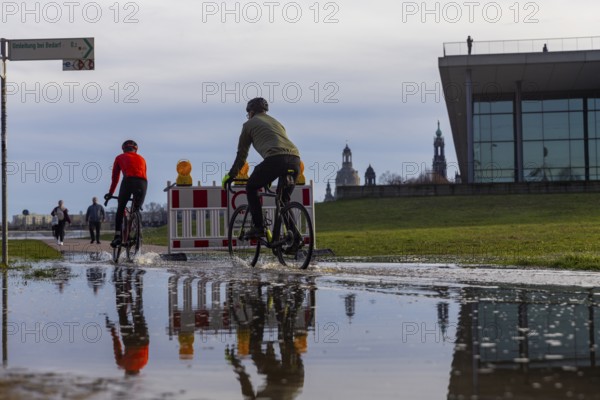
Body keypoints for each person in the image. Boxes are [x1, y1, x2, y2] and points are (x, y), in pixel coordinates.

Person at [222, 97, 301, 238]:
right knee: (284, 200)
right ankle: (294, 238)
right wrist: (269, 175)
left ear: (251, 112)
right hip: (295, 160)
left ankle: (258, 227)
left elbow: (242, 154)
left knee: (251, 187)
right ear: (265, 111)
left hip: (275, 160)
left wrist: (232, 175)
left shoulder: (248, 124)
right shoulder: (277, 123)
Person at [104, 140, 147, 248]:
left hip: (128, 181)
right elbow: (144, 174)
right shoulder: (142, 158)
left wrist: (110, 193)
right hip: (143, 183)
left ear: (123, 149)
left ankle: (118, 236)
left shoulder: (119, 157)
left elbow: (115, 178)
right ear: (135, 150)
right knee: (136, 209)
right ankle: (137, 233)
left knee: (121, 207)